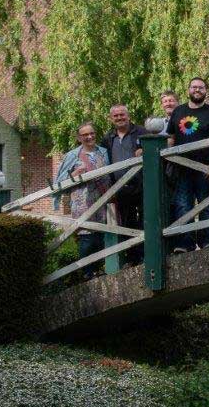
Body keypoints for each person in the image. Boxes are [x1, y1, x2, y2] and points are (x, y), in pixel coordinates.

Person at [165, 77, 209, 253]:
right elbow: (171, 138)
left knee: (205, 206)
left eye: (200, 87)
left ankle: (207, 242)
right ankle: (185, 244)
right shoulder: (178, 111)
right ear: (188, 90)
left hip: (205, 168)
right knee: (183, 206)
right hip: (181, 168)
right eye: (194, 87)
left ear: (205, 91)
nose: (197, 90)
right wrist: (167, 157)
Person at [56, 122, 110, 278]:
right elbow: (59, 183)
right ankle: (87, 273)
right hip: (82, 205)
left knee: (102, 236)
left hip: (103, 201)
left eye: (92, 133)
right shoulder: (72, 156)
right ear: (79, 138)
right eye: (85, 135)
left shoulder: (104, 152)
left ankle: (99, 270)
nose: (90, 137)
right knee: (86, 239)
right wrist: (74, 174)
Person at [103, 104, 147, 264]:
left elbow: (157, 150)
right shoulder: (108, 138)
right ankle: (133, 257)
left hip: (142, 185)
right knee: (127, 223)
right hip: (120, 187)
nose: (119, 118)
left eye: (122, 115)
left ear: (128, 115)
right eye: (116, 116)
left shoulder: (142, 132)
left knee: (145, 220)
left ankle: (146, 255)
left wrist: (144, 149)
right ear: (111, 118)